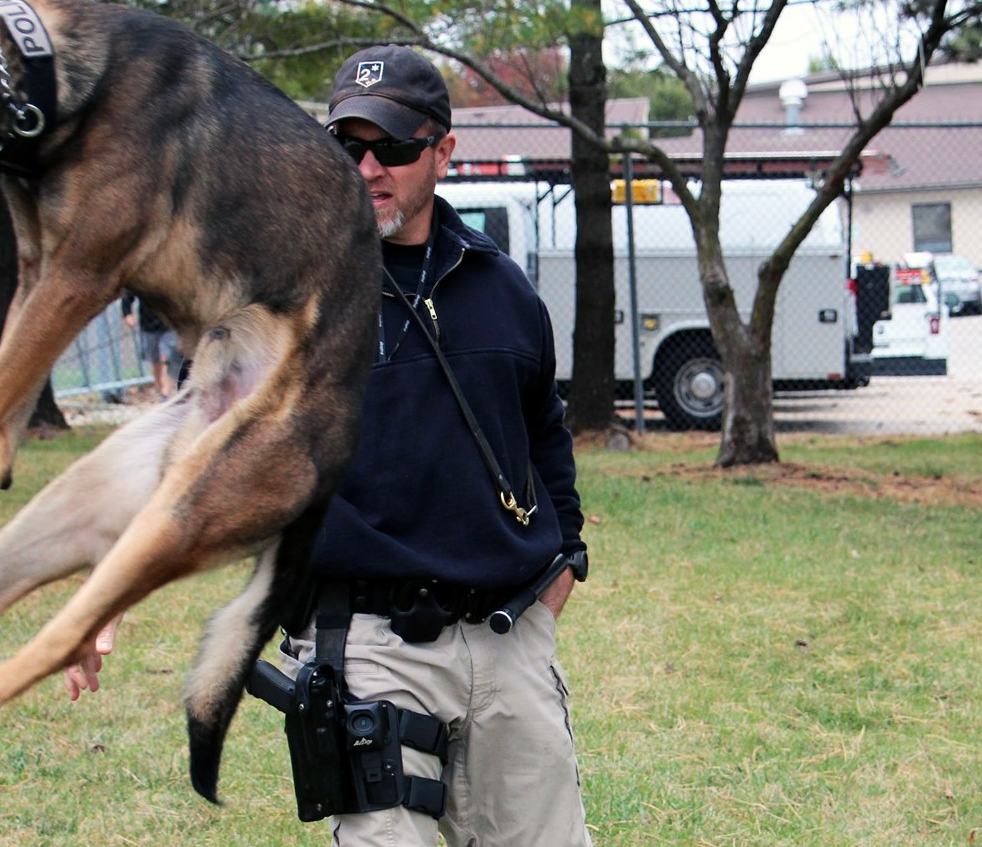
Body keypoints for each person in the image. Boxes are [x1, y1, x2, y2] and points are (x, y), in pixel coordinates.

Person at [66, 45, 590, 847]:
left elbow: (541, 432)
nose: (367, 169)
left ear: (442, 152)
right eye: (346, 146)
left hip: (507, 642)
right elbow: (186, 452)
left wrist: (566, 556)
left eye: (394, 148)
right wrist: (101, 603)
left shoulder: (502, 288)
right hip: (370, 648)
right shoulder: (281, 295)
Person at [120, 292, 177, 399]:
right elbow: (128, 294)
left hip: (169, 323)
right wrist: (127, 314)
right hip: (148, 324)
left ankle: (166, 391)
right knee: (155, 360)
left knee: (167, 356)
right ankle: (159, 388)